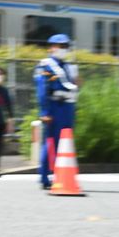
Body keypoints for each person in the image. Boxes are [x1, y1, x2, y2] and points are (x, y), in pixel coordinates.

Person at [34, 34, 81, 189]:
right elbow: (42, 90)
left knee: (65, 143)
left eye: (65, 47)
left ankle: (60, 174)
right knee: (51, 141)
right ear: (50, 48)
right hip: (55, 106)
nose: (62, 49)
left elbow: (72, 87)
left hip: (68, 107)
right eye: (59, 46)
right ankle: (44, 177)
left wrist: (78, 84)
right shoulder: (45, 65)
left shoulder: (68, 66)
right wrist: (45, 111)